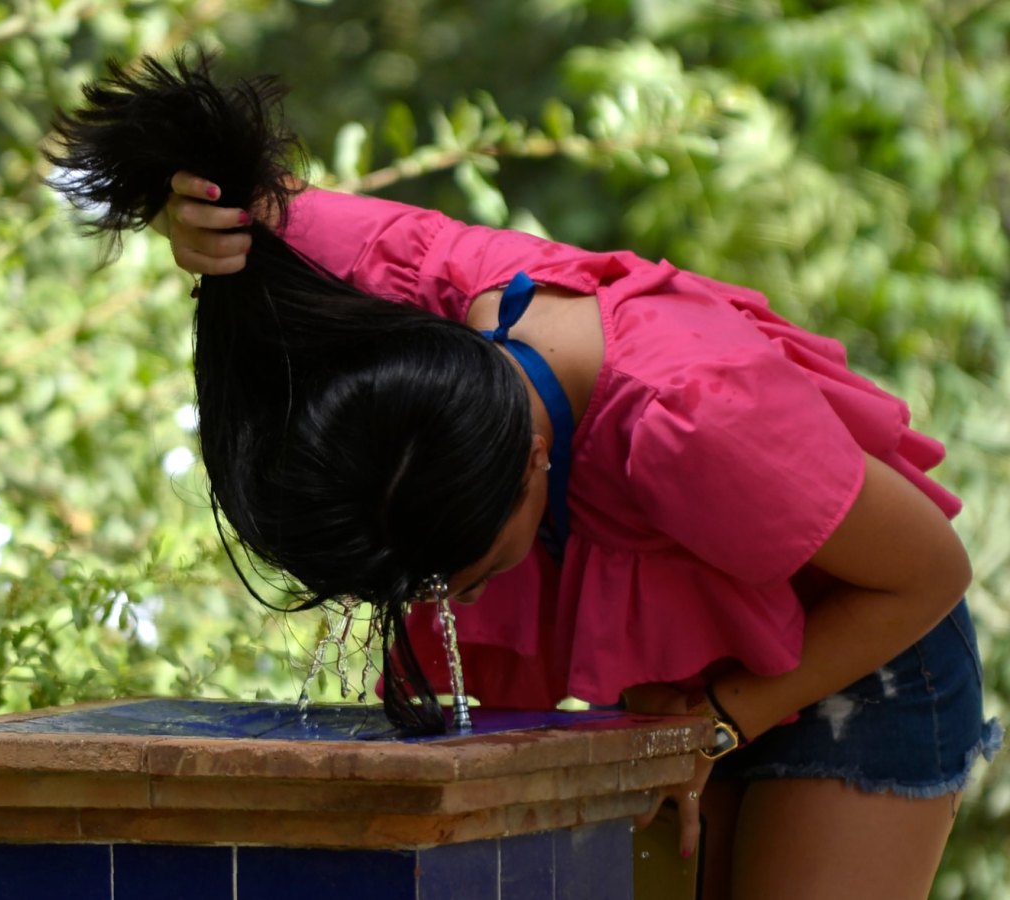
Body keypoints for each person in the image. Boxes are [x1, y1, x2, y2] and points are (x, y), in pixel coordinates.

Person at [49, 49, 1001, 899]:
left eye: (471, 577)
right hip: (683, 679)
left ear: (538, 458)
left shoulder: (696, 416)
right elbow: (242, 210)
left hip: (862, 647)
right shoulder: (376, 295)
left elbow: (928, 573)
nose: (442, 602)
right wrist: (195, 227)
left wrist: (715, 725)